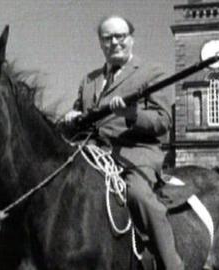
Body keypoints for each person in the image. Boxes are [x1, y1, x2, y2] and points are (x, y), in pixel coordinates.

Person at [63, 15, 183, 270]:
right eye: (107, 38)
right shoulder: (89, 80)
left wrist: (131, 115)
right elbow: (81, 118)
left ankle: (171, 265)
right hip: (91, 154)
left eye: (120, 36)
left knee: (140, 196)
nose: (114, 42)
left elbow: (163, 121)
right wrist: (71, 117)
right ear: (100, 43)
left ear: (131, 39)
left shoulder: (152, 73)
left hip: (134, 153)